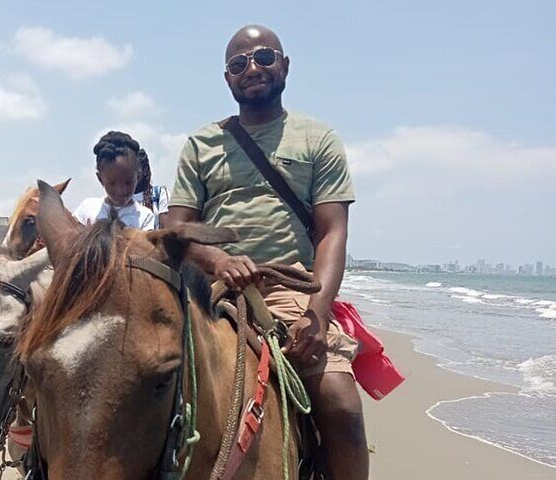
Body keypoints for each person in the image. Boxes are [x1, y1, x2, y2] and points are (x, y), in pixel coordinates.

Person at [168, 25, 368, 479]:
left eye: (263, 57)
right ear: (227, 79)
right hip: (208, 287)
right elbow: (175, 228)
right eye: (239, 64)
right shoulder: (202, 144)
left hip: (286, 289)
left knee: (340, 403)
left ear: (284, 65)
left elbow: (333, 232)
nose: (252, 69)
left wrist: (317, 313)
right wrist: (217, 260)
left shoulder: (318, 139)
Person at [74, 131, 155, 230]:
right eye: (112, 183)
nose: (121, 191)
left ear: (138, 177)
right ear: (100, 179)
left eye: (128, 183)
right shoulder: (87, 209)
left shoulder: (145, 217)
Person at [133, 148, 170, 228]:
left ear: (145, 170)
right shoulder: (120, 199)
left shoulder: (159, 193)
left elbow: (164, 229)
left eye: (135, 170)